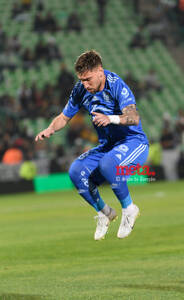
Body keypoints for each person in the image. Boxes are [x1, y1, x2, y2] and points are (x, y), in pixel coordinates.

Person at [35, 50, 149, 240]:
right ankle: (105, 213)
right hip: (108, 146)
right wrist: (50, 129)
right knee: (76, 171)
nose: (84, 84)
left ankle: (129, 208)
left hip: (133, 142)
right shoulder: (81, 89)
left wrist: (110, 118)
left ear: (100, 71)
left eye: (88, 79)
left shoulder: (117, 86)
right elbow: (64, 117)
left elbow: (133, 117)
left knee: (107, 164)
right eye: (81, 80)